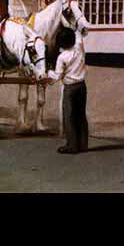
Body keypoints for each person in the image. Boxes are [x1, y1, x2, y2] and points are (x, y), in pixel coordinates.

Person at [46, 26, 89, 154]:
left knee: (69, 116)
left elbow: (58, 76)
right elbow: (80, 37)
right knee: (81, 115)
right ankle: (83, 144)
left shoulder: (62, 57)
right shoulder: (79, 50)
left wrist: (48, 72)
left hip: (70, 89)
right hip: (82, 86)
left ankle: (72, 145)